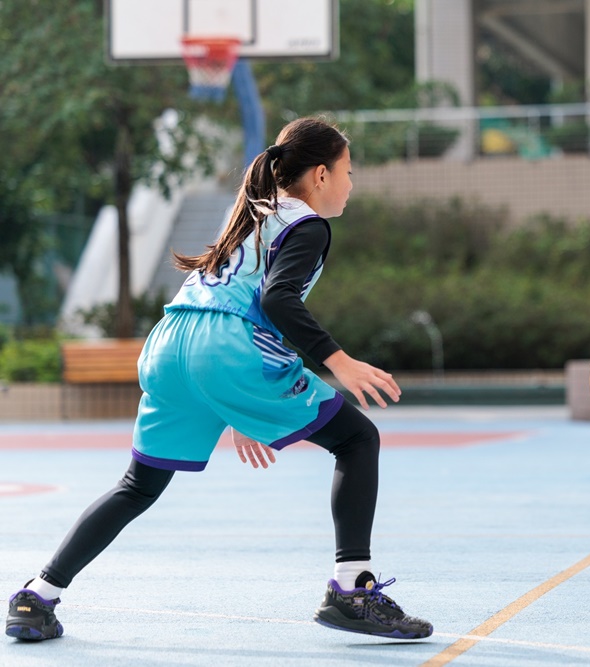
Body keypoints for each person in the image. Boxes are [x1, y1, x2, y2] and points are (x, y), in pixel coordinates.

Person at [5, 117, 432, 642]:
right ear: (320, 175)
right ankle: (352, 590)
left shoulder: (250, 214)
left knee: (137, 486)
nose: (351, 182)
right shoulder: (308, 225)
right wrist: (338, 361)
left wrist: (239, 406)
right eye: (349, 171)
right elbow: (277, 299)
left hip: (170, 344)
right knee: (357, 439)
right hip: (228, 348)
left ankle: (38, 595)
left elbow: (236, 296)